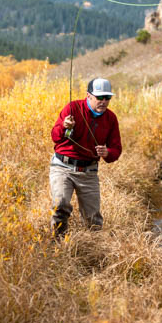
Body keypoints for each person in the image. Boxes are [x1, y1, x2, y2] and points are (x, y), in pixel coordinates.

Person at [49, 78, 122, 238]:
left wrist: (107, 152)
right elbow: (55, 137)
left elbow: (116, 150)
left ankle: (93, 253)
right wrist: (64, 126)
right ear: (88, 96)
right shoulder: (72, 108)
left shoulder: (111, 118)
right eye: (99, 97)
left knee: (93, 221)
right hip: (62, 167)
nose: (103, 101)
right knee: (60, 205)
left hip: (89, 172)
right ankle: (58, 246)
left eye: (107, 98)